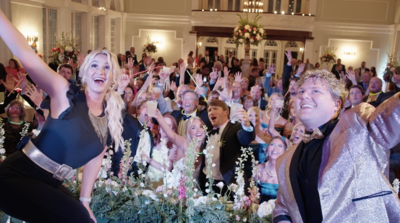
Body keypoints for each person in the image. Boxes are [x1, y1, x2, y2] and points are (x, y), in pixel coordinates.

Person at [0, 7, 127, 222]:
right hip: (16, 176)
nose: (101, 72)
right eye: (95, 65)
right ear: (85, 72)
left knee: (82, 217)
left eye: (107, 68)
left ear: (113, 77)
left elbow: (96, 158)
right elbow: (25, 53)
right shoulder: (65, 93)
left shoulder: (110, 116)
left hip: (49, 182)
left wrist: (85, 201)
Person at [273, 69, 400, 223]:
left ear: (337, 104)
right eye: (301, 91)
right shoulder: (284, 161)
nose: (304, 95)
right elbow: (283, 207)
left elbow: (388, 122)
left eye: (315, 90)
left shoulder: (357, 122)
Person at [199, 99, 255, 194]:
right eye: (209, 110)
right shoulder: (208, 133)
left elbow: (245, 138)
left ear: (226, 112)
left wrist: (246, 125)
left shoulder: (235, 128)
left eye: (215, 109)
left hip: (228, 184)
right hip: (207, 183)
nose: (211, 112)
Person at [255, 136, 287, 203]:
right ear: (267, 149)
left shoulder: (288, 172)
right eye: (272, 145)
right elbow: (252, 194)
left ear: (285, 152)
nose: (275, 148)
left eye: (280, 146)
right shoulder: (258, 169)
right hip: (258, 211)